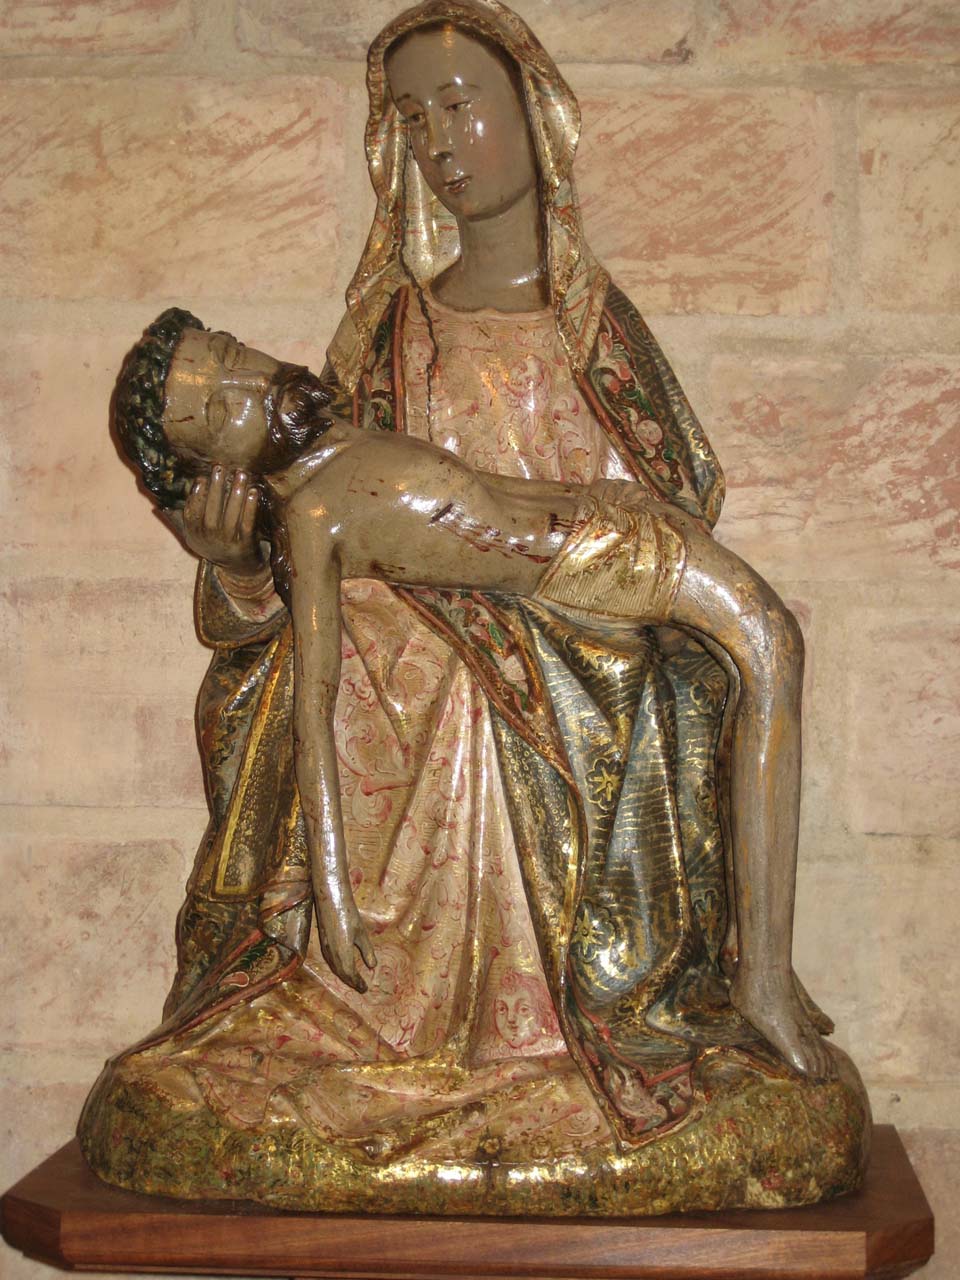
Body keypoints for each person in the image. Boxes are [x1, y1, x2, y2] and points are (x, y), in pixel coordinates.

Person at [79, 0, 868, 1216]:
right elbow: (312, 539)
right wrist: (236, 569)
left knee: (517, 660)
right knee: (398, 660)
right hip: (412, 647)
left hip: (587, 643)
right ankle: (378, 1009)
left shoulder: (594, 328)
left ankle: (601, 1008)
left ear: (533, 113)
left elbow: (675, 502)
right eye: (413, 119)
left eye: (461, 104)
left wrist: (547, 595)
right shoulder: (389, 330)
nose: (441, 142)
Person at [116, 308, 833, 1085]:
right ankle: (764, 982)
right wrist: (331, 890)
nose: (252, 383)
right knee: (772, 648)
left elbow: (494, 488)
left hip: (597, 528)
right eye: (222, 410)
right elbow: (312, 714)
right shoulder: (311, 513)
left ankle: (758, 966)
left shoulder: (343, 430)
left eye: (231, 353)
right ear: (218, 473)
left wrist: (612, 499)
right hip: (583, 568)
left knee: (744, 663)